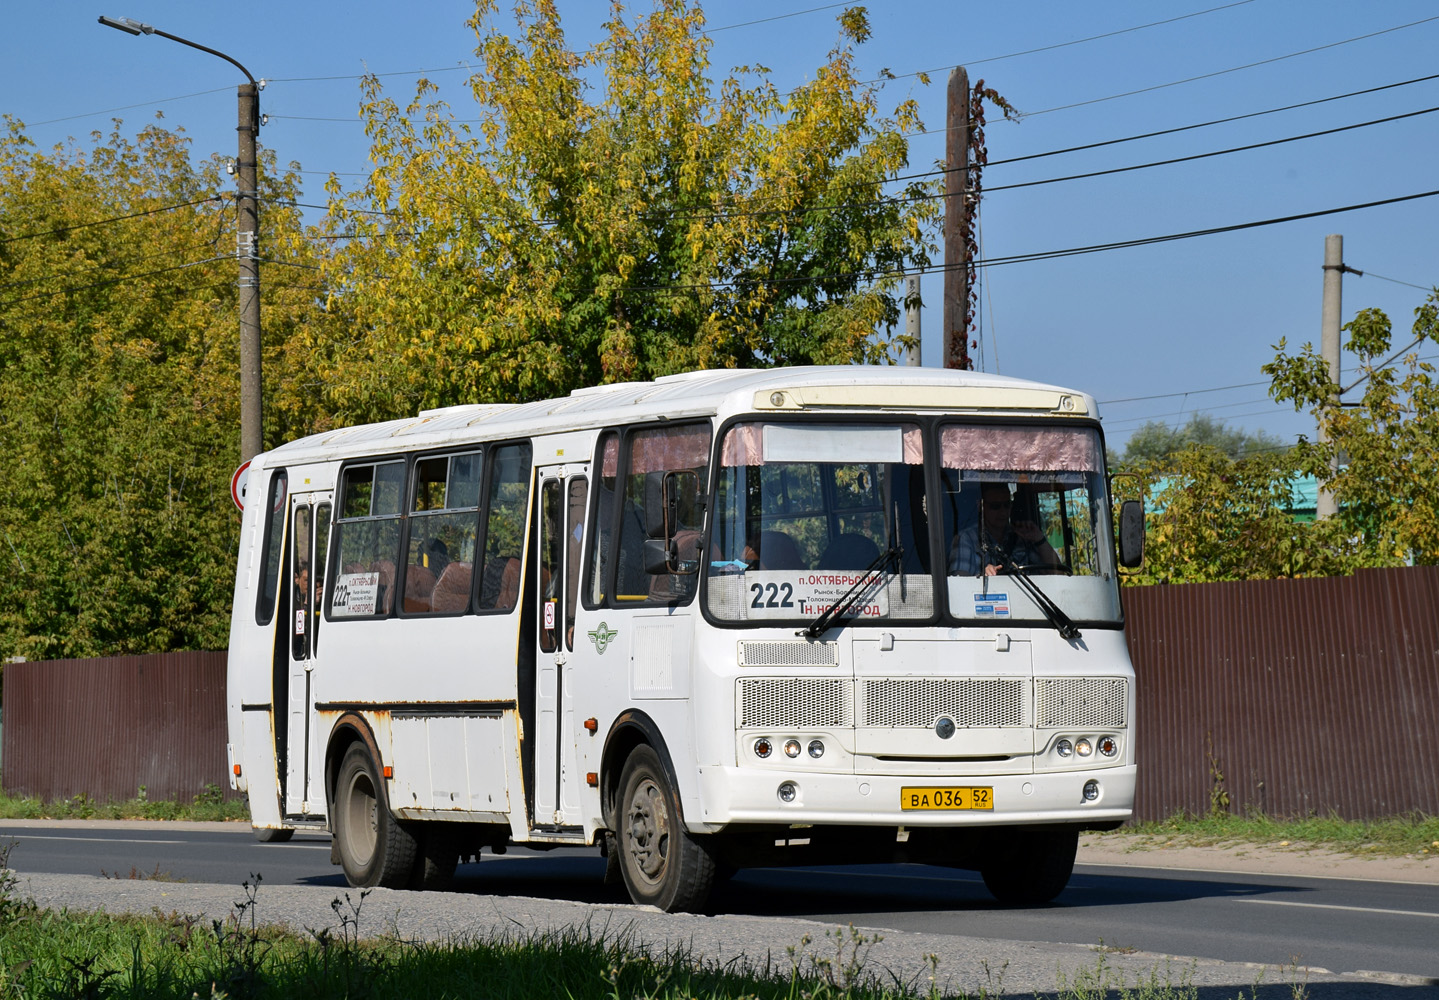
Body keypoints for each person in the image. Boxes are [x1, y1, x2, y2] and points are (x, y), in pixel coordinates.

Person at [950, 482, 1060, 576]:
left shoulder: (1022, 537)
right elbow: (960, 585)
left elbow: (1057, 575)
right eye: (995, 506)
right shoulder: (967, 539)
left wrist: (1039, 539)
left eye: (1007, 505)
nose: (1003, 512)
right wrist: (983, 576)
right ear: (981, 507)